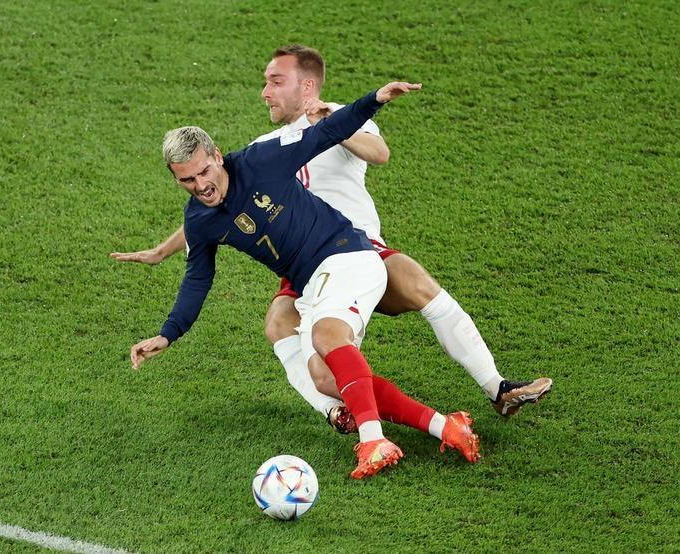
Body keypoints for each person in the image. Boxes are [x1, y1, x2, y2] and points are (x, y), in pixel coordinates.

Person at [112, 45, 552, 430]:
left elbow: (379, 155)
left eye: (274, 81)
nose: (264, 91)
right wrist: (166, 249)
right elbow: (220, 202)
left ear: (306, 86)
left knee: (421, 288)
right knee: (280, 327)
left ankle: (497, 389)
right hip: (305, 266)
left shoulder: (339, 118)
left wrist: (339, 122)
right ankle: (338, 412)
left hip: (358, 250)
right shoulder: (265, 145)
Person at [121, 82, 481, 479]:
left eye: (204, 171)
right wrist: (168, 334)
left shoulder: (260, 161)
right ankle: (446, 426)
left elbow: (325, 132)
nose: (201, 186)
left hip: (349, 254)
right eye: (187, 181)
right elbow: (197, 280)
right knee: (328, 378)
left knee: (328, 337)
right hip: (315, 281)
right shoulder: (201, 220)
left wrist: (374, 100)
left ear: (217, 157)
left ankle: (373, 440)